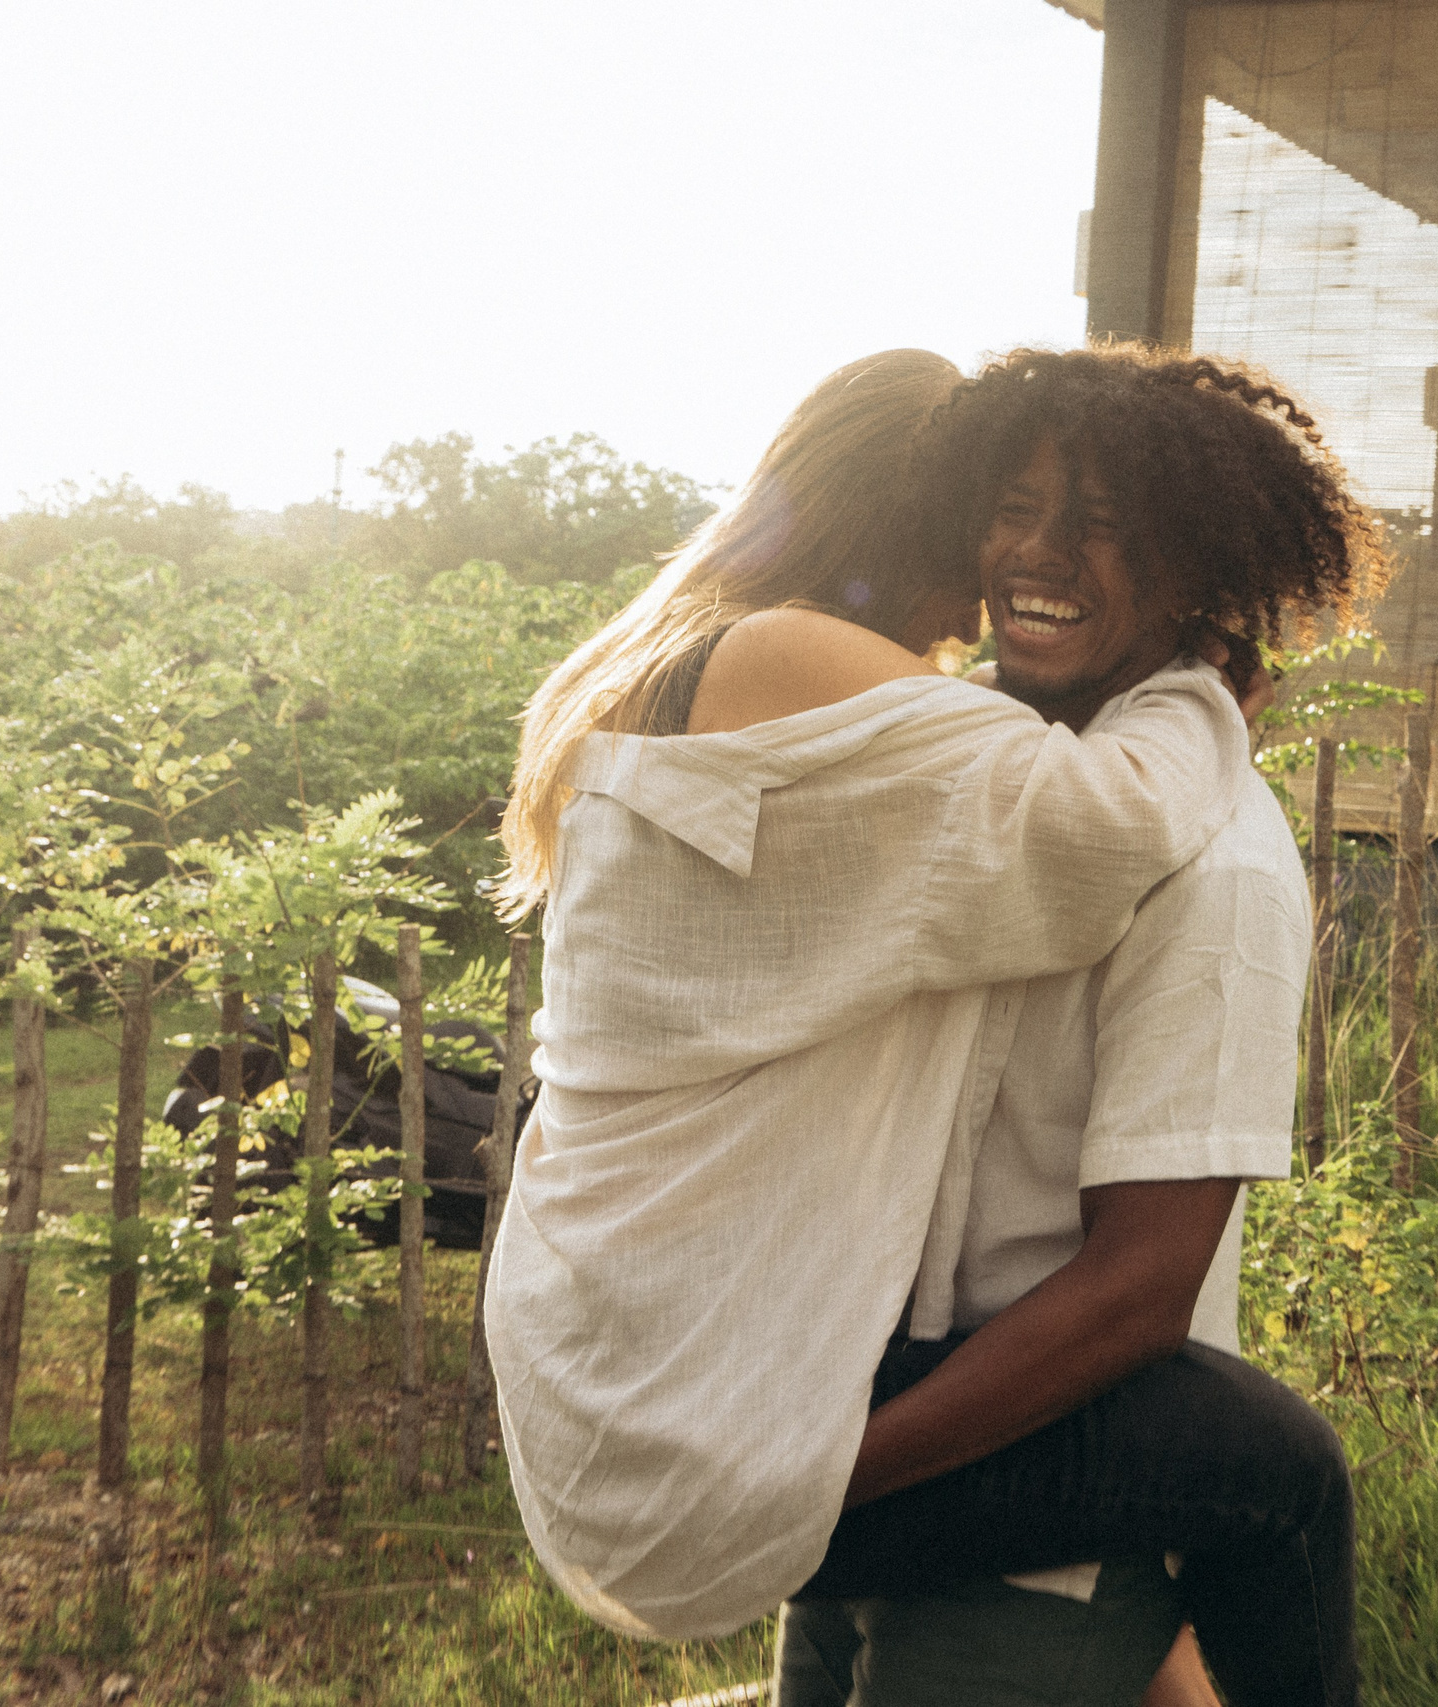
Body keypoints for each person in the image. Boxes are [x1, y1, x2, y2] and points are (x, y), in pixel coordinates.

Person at [484, 349, 1274, 1642]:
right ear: (920, 513)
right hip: (675, 1357)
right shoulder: (787, 654)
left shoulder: (686, 653)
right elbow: (1101, 824)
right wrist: (1199, 689)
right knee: (1279, 1467)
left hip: (604, 1315)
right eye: (994, 516)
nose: (998, 576)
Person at [782, 346, 1385, 1707]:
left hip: (1030, 1536)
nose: (1040, 552)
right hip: (871, 1446)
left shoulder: (1217, 872)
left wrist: (833, 1472)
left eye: (1106, 524)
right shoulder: (975, 782)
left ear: (1197, 577)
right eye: (1015, 506)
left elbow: (1138, 1290)